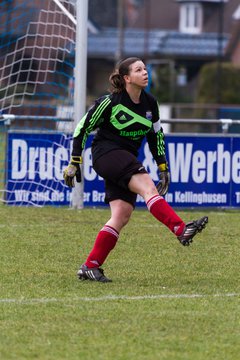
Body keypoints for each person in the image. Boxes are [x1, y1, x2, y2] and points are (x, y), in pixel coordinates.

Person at [63, 57, 208, 283]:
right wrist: (74, 161)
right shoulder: (110, 101)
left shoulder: (151, 103)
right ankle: (180, 229)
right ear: (127, 78)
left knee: (121, 215)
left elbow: (156, 135)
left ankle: (90, 266)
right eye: (138, 70)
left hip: (126, 159)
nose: (145, 73)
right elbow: (82, 127)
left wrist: (163, 165)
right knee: (148, 188)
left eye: (145, 69)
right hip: (106, 154)